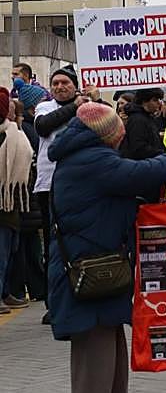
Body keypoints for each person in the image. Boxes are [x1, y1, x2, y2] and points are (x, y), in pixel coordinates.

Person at [47, 102, 166, 393]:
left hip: (98, 267)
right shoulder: (93, 160)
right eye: (118, 130)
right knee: (94, 362)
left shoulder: (82, 153)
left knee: (110, 355)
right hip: (89, 270)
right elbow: (142, 174)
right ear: (107, 134)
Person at [34, 66, 98, 324]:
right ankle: (55, 302)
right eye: (55, 83)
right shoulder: (45, 107)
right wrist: (75, 106)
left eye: (65, 83)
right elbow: (44, 127)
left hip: (83, 185)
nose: (60, 87)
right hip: (49, 185)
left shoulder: (88, 105)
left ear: (75, 85)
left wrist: (96, 101)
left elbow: (106, 126)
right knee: (54, 247)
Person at [4, 98, 44, 307]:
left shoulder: (19, 134)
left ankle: (10, 291)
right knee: (10, 251)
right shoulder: (12, 134)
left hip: (21, 202)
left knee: (14, 250)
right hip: (14, 202)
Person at [0, 88, 34, 314]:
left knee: (10, 251)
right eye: (8, 109)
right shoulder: (6, 134)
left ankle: (4, 292)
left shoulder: (14, 132)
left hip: (13, 202)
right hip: (3, 203)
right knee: (1, 253)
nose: (13, 113)